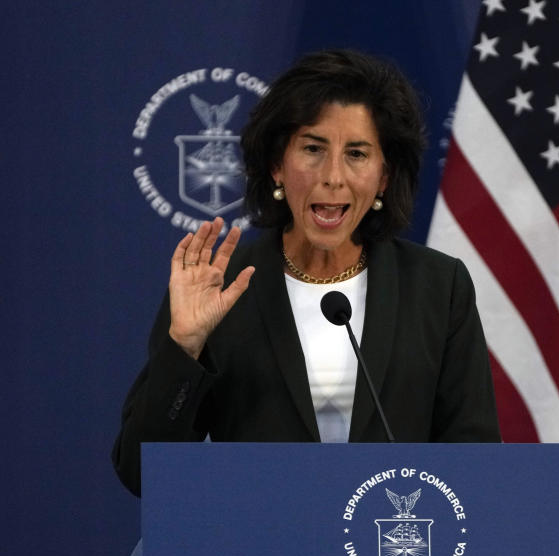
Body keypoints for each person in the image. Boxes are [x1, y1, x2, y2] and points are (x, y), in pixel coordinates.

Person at [112, 50, 500, 497]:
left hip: (391, 548)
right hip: (261, 548)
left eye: (356, 153)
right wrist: (185, 347)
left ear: (384, 176)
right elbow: (141, 473)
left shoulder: (437, 286)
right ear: (278, 164)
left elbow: (475, 459)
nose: (333, 176)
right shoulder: (221, 285)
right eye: (313, 149)